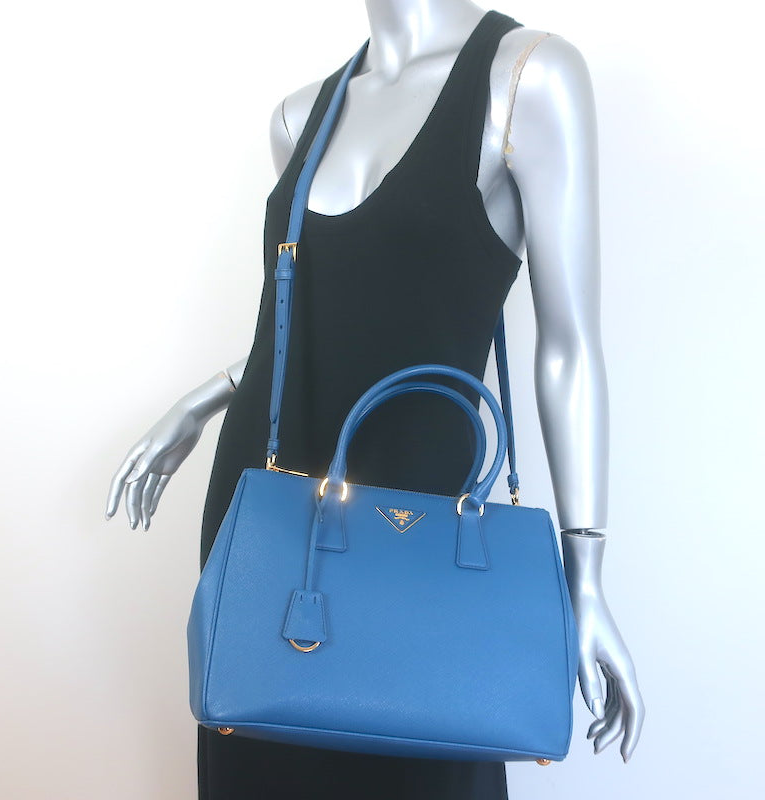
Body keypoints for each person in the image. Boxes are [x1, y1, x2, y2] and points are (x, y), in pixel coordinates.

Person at [106, 1, 645, 797]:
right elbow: (319, 316)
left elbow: (569, 344)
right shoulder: (300, 117)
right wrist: (205, 397)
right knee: (259, 746)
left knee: (427, 759)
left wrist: (585, 571)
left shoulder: (528, 76)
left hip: (420, 535)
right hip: (268, 524)